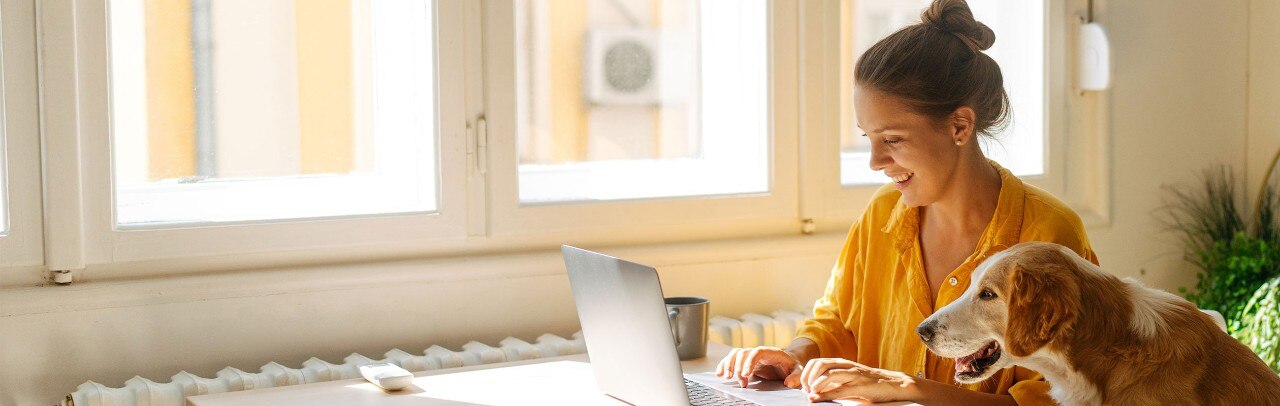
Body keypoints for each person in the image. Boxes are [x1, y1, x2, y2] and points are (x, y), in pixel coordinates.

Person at [715, 0, 1098, 404]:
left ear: (959, 126)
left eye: (893, 140)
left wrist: (912, 390)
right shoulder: (882, 212)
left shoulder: (1049, 234)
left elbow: (1061, 399)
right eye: (869, 138)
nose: (876, 162)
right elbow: (839, 325)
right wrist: (792, 356)